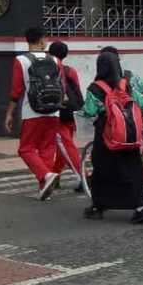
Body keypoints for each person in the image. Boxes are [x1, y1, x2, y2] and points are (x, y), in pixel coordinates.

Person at [80, 49, 143, 223]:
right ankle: (140, 207)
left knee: (102, 168)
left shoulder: (96, 87)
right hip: (129, 131)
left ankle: (99, 206)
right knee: (132, 168)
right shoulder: (126, 83)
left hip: (107, 133)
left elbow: (89, 110)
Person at [4, 26, 62, 200]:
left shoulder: (20, 60)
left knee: (26, 149)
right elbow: (61, 86)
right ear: (42, 40)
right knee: (47, 148)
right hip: (54, 111)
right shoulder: (55, 60)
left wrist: (9, 113)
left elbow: (17, 90)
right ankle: (45, 188)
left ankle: (45, 175)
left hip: (32, 111)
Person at [46, 40, 84, 193]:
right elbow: (77, 91)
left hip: (57, 113)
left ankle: (83, 177)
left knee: (66, 146)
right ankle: (55, 175)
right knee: (63, 146)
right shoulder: (71, 71)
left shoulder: (48, 70)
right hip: (71, 112)